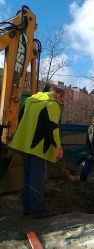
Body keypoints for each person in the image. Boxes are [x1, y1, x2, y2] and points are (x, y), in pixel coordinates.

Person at [10, 85, 66, 218]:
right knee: (38, 178)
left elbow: (20, 118)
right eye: (63, 100)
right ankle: (38, 209)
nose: (62, 102)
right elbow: (53, 128)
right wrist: (58, 147)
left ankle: (27, 207)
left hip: (25, 144)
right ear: (58, 96)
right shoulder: (52, 104)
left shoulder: (30, 100)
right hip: (40, 147)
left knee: (27, 176)